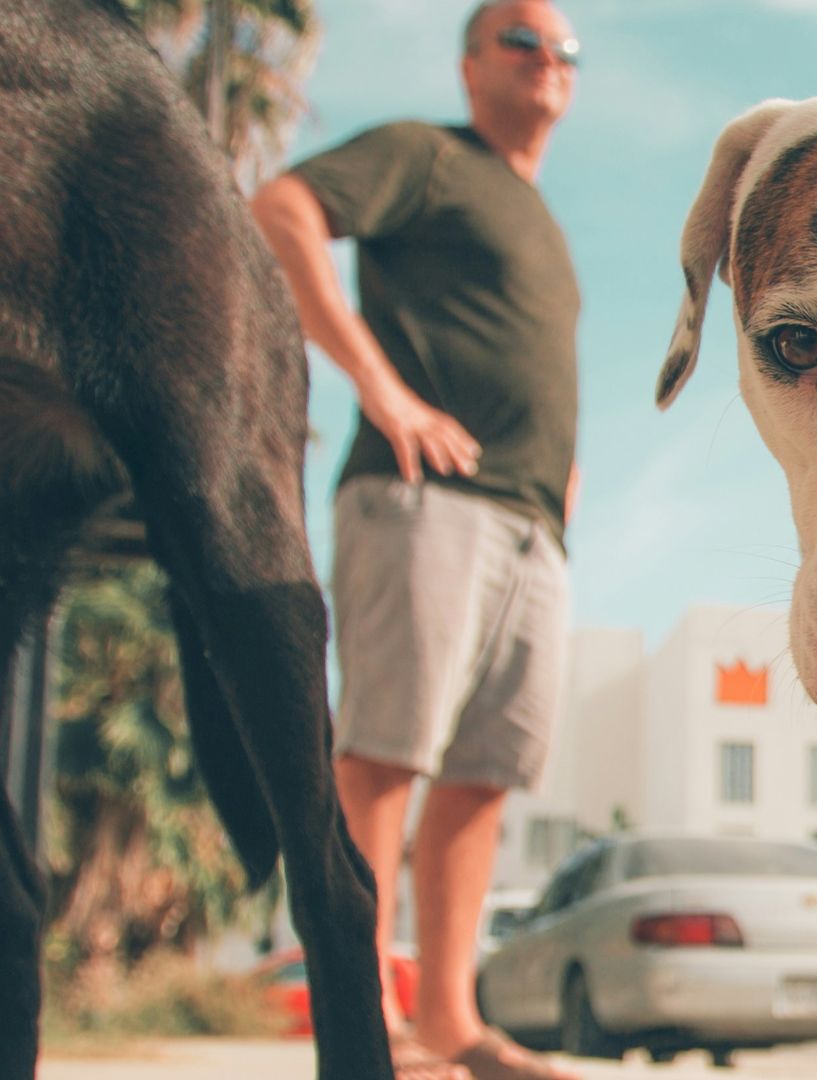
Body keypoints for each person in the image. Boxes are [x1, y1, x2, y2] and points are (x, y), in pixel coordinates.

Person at [252, 3, 583, 1077]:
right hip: (424, 498)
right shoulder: (429, 158)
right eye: (523, 40)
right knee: (387, 753)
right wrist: (381, 389)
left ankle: (449, 1020)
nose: (548, 61)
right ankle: (361, 1018)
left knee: (486, 773)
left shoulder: (539, 214)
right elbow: (282, 207)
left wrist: (562, 479)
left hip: (532, 526)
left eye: (565, 49)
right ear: (472, 62)